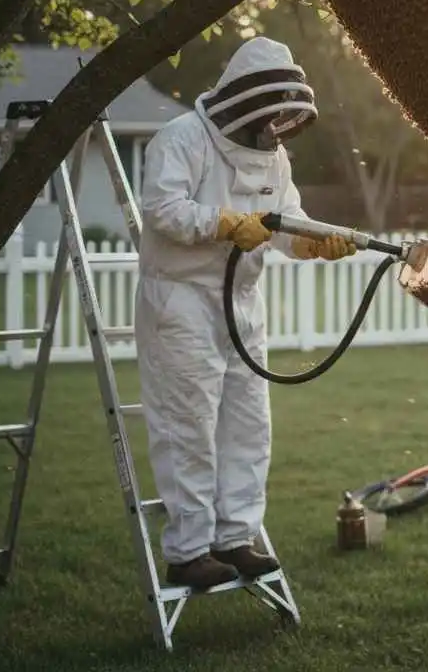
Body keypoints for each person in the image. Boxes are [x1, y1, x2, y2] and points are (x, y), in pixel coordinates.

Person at [133, 36, 356, 590]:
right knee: (188, 426)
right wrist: (226, 224)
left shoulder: (273, 157)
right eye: (269, 111)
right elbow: (162, 209)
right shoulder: (181, 138)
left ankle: (236, 537)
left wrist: (316, 242)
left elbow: (287, 222)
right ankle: (188, 551)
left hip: (242, 303)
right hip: (181, 302)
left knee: (249, 426)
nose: (274, 125)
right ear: (245, 99)